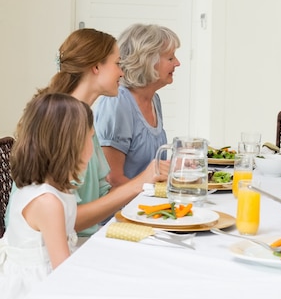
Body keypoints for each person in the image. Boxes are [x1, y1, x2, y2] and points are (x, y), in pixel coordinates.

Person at [5, 28, 168, 238]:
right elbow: (63, 219)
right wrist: (139, 183)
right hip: (50, 248)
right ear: (96, 67)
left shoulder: (84, 117)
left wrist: (158, 204)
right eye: (118, 64)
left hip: (82, 237)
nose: (122, 72)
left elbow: (102, 192)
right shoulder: (60, 124)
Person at [0, 93, 93, 299]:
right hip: (35, 286)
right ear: (71, 145)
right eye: (90, 137)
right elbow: (63, 273)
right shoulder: (48, 202)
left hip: (49, 272)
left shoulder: (57, 188)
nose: (93, 147)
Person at [94, 23, 180, 186]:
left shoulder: (154, 99)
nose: (177, 63)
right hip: (125, 209)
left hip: (149, 203)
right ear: (148, 61)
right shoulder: (117, 102)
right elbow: (113, 179)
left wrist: (177, 167)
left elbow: (148, 170)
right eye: (170, 58)